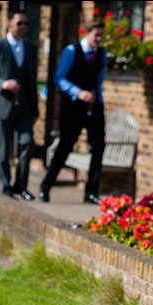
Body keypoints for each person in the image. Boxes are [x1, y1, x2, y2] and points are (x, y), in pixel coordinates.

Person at [39, 20, 108, 205]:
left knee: (98, 147)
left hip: (94, 107)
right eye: (96, 35)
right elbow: (59, 78)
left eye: (101, 35)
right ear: (87, 33)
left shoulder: (102, 54)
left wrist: (98, 100)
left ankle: (91, 192)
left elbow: (99, 80)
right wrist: (78, 92)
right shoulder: (71, 51)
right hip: (73, 108)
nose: (99, 39)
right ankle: (46, 186)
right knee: (64, 147)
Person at [0, 10, 39, 200]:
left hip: (24, 106)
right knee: (3, 149)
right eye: (20, 23)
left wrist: (35, 109)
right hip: (2, 104)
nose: (23, 27)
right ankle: (5, 186)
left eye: (26, 24)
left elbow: (32, 81)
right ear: (10, 24)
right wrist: (2, 84)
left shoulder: (30, 48)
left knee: (27, 143)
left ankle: (21, 186)